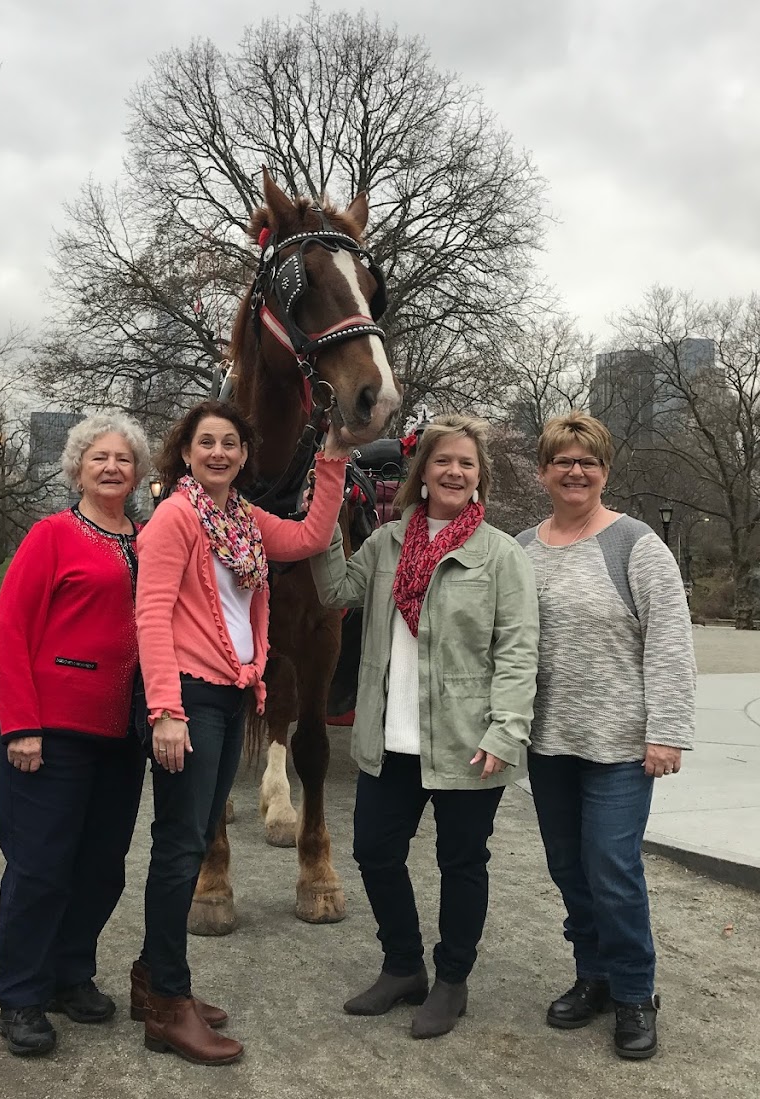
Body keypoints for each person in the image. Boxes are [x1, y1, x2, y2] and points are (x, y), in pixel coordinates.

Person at [134, 399, 349, 1065]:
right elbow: (150, 612)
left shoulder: (244, 522)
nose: (220, 452)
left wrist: (334, 457)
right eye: (208, 443)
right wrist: (165, 708)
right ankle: (169, 1001)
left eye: (231, 442)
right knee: (180, 844)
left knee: (192, 832)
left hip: (232, 693)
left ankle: (153, 979)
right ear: (187, 451)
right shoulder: (175, 515)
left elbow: (312, 537)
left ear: (245, 455)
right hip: (191, 697)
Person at [311, 413, 539, 1040]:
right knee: (375, 852)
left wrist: (506, 729)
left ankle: (452, 980)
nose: (454, 472)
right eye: (443, 461)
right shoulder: (386, 543)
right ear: (422, 472)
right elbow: (334, 590)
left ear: (479, 476)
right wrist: (327, 512)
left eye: (466, 463)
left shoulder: (500, 554)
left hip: (469, 741)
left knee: (461, 862)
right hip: (391, 738)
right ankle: (402, 965)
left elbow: (519, 651)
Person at [518, 411, 696, 1062]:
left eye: (587, 460)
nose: (575, 470)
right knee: (569, 868)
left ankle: (634, 992)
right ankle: (592, 973)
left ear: (604, 471)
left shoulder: (636, 545)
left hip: (622, 744)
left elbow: (671, 644)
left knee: (612, 867)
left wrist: (668, 731)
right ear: (542, 471)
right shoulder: (521, 549)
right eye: (562, 460)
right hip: (549, 741)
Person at [0, 412, 151, 1057]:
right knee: (40, 867)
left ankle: (69, 974)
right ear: (77, 467)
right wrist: (18, 725)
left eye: (124, 459)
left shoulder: (149, 540)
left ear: (139, 473)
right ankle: (22, 996)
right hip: (52, 728)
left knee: (101, 867)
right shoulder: (51, 535)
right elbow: (9, 630)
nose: (112, 468)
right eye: (99, 458)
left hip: (124, 730)